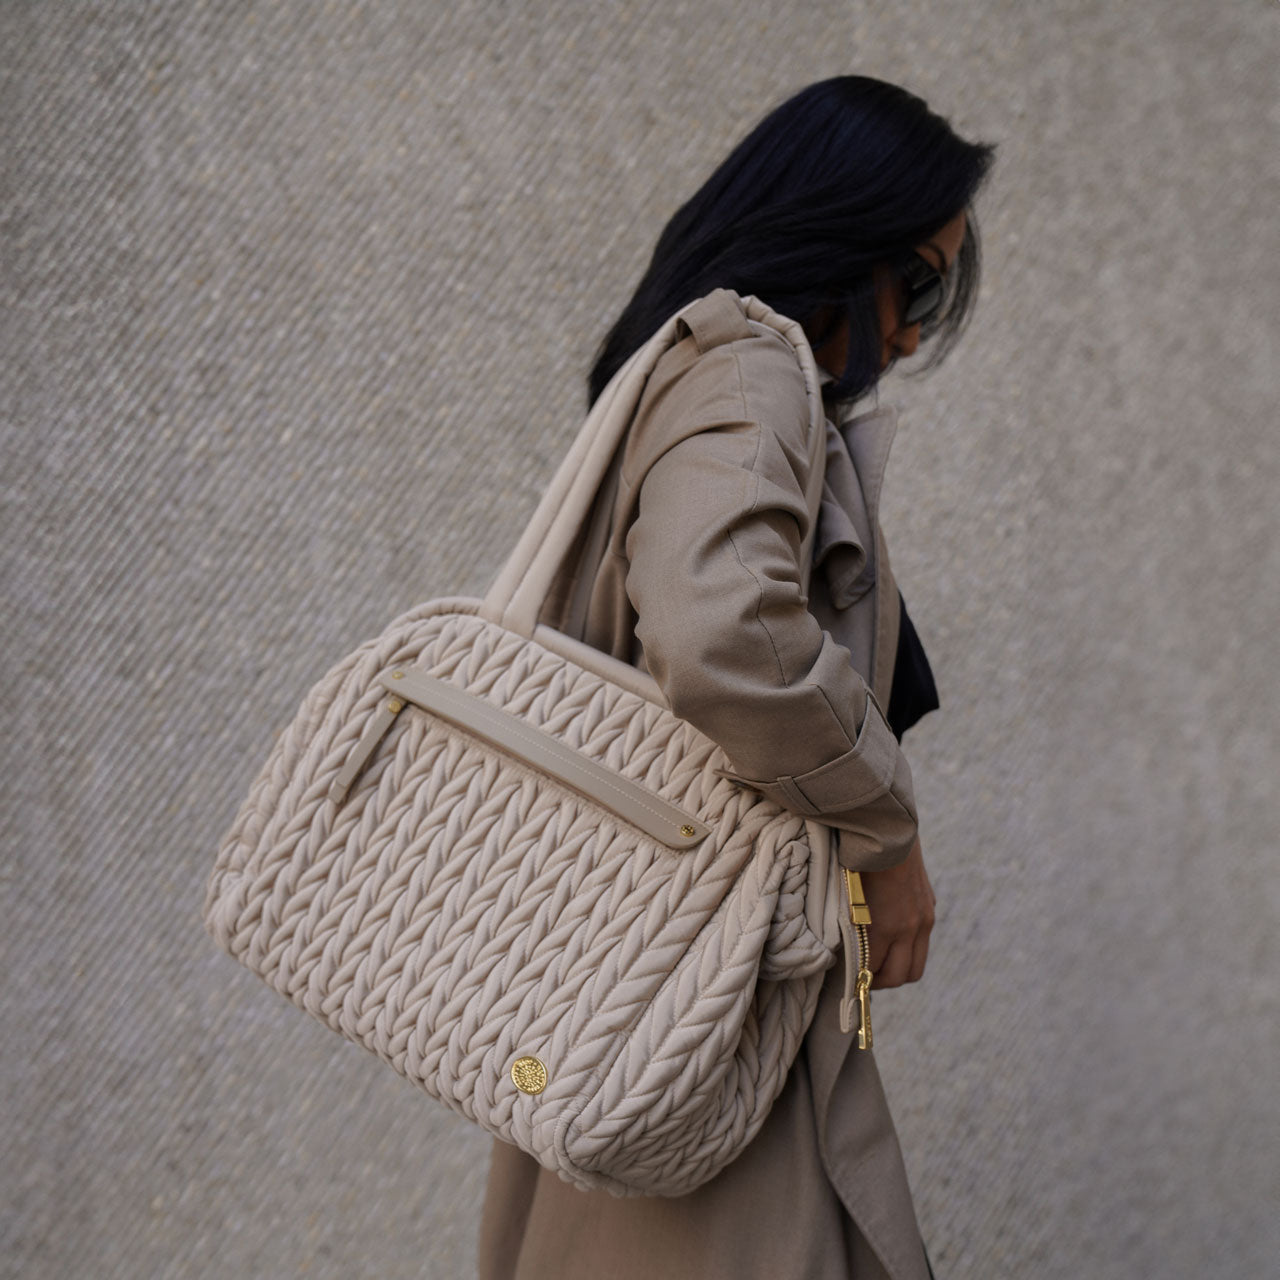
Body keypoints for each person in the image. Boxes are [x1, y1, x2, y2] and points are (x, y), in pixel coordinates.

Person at [478, 75, 996, 1280]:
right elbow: (721, 634)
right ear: (833, 242)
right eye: (914, 282)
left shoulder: (693, 371)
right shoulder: (749, 373)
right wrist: (886, 832)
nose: (917, 333)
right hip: (700, 994)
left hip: (655, 982)